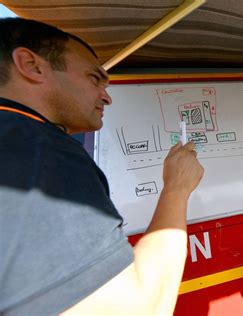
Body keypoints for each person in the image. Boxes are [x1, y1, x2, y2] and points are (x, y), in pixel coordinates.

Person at [0, 17, 204, 315]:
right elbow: (140, 308)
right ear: (31, 65)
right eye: (95, 78)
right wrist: (177, 187)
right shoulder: (37, 148)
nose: (106, 96)